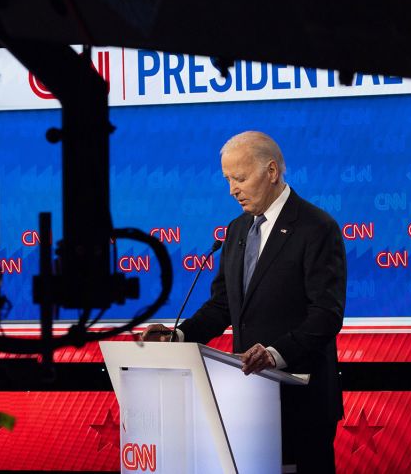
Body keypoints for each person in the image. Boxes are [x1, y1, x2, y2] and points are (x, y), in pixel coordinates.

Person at [142, 131, 346, 472]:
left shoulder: (316, 227)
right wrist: (178, 336)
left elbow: (326, 314)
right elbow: (223, 305)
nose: (232, 189)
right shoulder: (236, 230)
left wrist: (274, 354)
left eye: (240, 178)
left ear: (271, 171)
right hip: (248, 400)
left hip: (302, 401)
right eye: (227, 179)